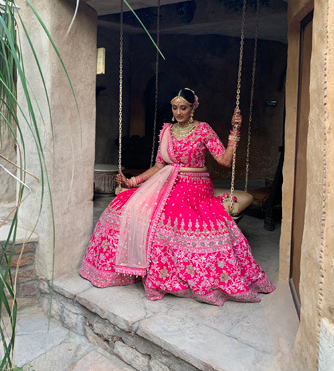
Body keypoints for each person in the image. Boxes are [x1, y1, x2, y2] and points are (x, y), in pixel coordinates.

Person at [79, 88, 275, 305]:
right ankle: (126, 269)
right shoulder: (167, 131)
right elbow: (158, 166)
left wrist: (234, 132)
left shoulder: (203, 129)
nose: (179, 112)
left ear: (193, 108)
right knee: (123, 205)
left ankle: (167, 277)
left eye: (184, 107)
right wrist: (131, 182)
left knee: (169, 219)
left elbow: (224, 161)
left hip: (195, 186)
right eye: (175, 108)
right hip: (166, 181)